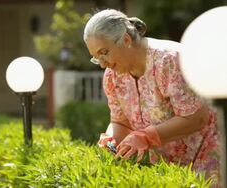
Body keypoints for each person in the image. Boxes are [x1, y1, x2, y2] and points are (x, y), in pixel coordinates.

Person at [83, 9, 220, 186]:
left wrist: (146, 137)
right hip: (169, 170)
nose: (102, 64)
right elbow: (121, 122)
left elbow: (197, 118)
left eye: (104, 53)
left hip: (208, 158)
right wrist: (110, 139)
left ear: (126, 40)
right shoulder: (112, 76)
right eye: (95, 58)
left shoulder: (170, 60)